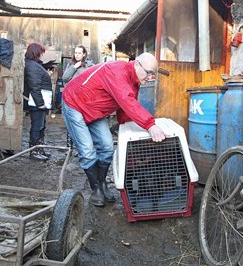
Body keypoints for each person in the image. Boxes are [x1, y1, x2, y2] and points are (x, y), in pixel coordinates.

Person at [61, 52, 166, 207]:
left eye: (153, 74)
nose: (150, 77)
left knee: (108, 147)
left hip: (95, 109)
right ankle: (95, 188)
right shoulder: (117, 71)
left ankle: (102, 183)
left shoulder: (134, 80)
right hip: (75, 104)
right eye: (149, 72)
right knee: (88, 151)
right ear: (137, 64)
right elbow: (127, 101)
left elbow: (124, 108)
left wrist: (127, 128)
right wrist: (150, 125)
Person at [23, 42, 53, 161]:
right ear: (36, 53)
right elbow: (34, 87)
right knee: (37, 126)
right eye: (41, 53)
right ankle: (34, 151)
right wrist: (40, 103)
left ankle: (39, 149)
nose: (42, 55)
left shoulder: (34, 65)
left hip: (40, 101)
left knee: (41, 125)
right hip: (37, 103)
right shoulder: (32, 66)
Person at [61, 45, 93, 149]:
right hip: (72, 98)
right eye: (76, 53)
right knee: (71, 121)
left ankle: (83, 147)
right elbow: (65, 78)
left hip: (84, 98)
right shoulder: (71, 64)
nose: (77, 55)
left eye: (79, 53)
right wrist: (74, 67)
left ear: (84, 54)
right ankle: (70, 147)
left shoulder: (89, 65)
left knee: (83, 122)